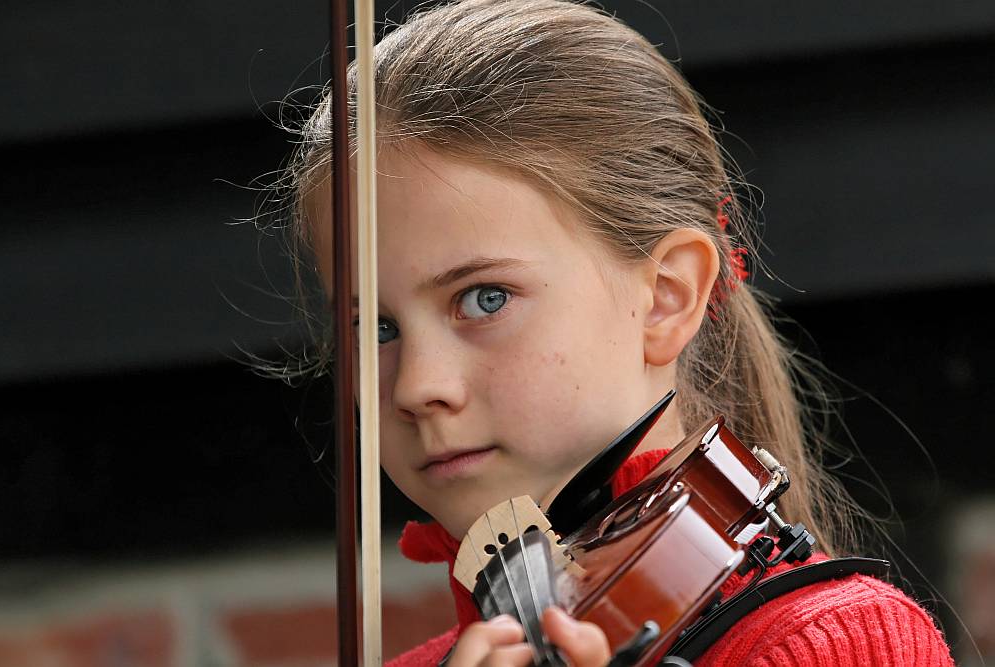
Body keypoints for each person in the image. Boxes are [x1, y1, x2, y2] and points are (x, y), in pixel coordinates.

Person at [287, 0, 956, 664]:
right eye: (374, 327)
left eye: (485, 298)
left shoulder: (840, 641)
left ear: (666, 298)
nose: (416, 386)